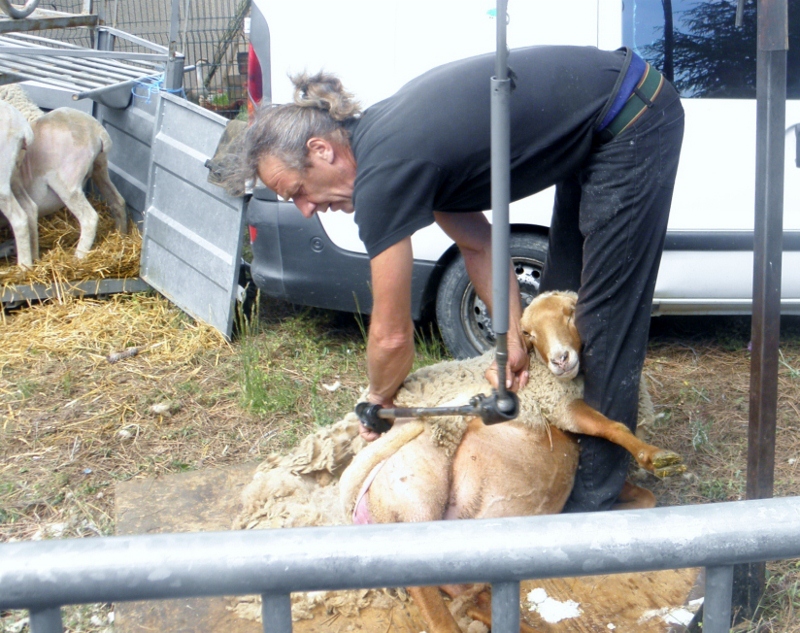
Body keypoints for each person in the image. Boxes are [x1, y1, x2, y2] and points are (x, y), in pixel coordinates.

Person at [239, 45, 684, 512]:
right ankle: (564, 457)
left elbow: (391, 337)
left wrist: (376, 398)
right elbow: (480, 245)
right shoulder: (386, 148)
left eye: (298, 192)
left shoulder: (384, 174)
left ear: (321, 149)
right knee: (555, 302)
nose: (307, 209)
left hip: (632, 114)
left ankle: (592, 508)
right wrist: (511, 335)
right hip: (600, 125)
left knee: (601, 320)